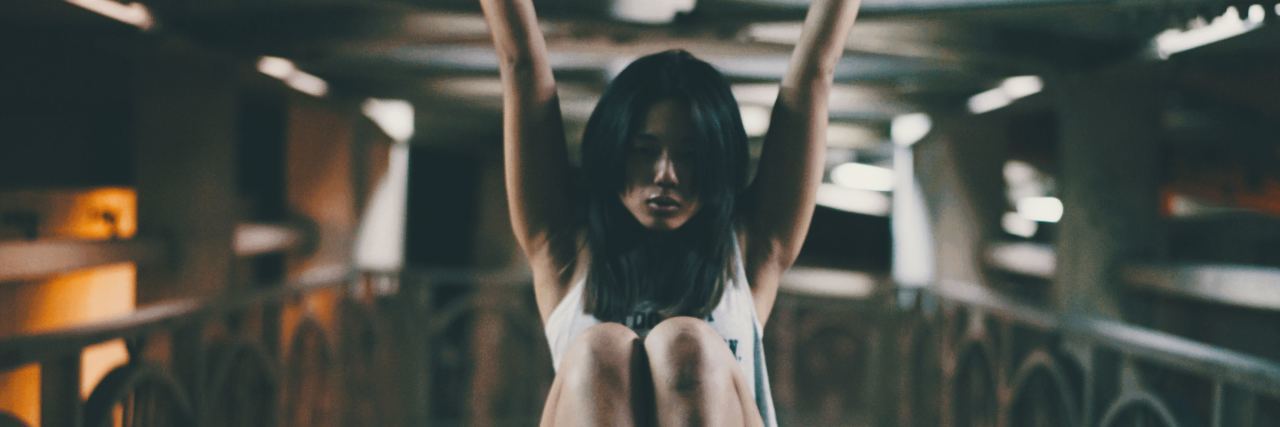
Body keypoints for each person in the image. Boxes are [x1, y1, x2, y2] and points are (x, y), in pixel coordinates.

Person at [479, 0, 862, 425]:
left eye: (691, 157)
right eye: (644, 152)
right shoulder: (564, 245)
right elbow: (520, 66)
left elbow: (813, 78)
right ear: (616, 151)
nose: (666, 175)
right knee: (599, 349)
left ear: (716, 164)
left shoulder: (751, 247)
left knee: (687, 345)